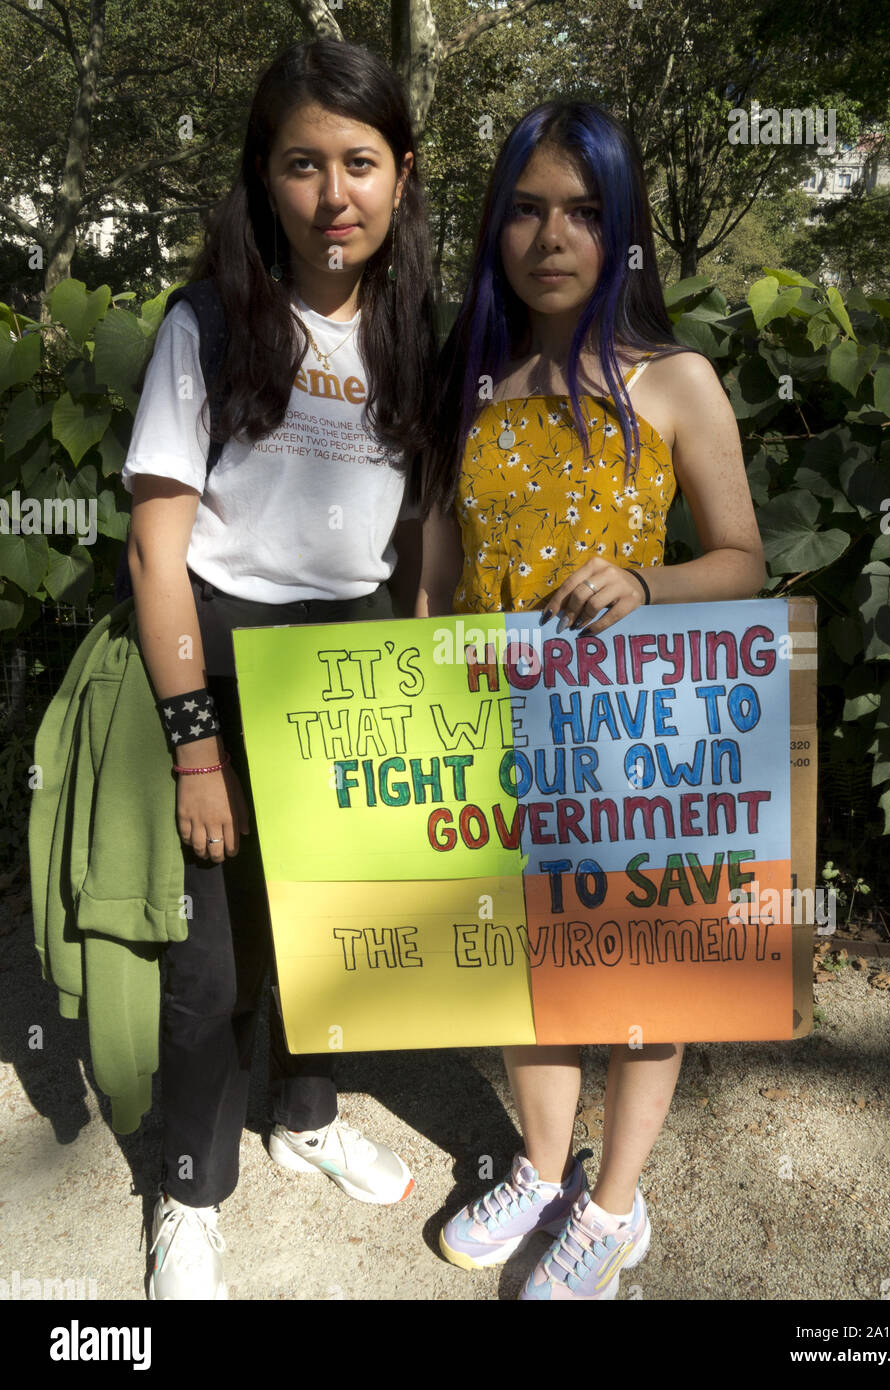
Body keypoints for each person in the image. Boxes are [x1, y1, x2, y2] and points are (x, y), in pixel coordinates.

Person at [417, 100, 765, 1300]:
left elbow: (743, 564)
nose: (551, 235)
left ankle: (612, 1208)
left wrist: (646, 579)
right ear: (495, 225)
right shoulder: (473, 382)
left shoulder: (676, 381)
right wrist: (420, 672)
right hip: (495, 729)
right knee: (529, 963)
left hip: (636, 735)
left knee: (641, 967)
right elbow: (437, 562)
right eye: (525, 207)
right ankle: (540, 1163)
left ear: (623, 233)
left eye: (582, 210)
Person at [122, 37, 436, 1300]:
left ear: (401, 176)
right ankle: (190, 1193)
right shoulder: (206, 324)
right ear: (265, 178)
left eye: (359, 162)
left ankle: (305, 1115)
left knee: (333, 931)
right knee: (209, 963)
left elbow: (426, 534)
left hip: (358, 653)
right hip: (224, 647)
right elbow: (155, 554)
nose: (333, 193)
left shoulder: (424, 328)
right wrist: (196, 746)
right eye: (302, 164)